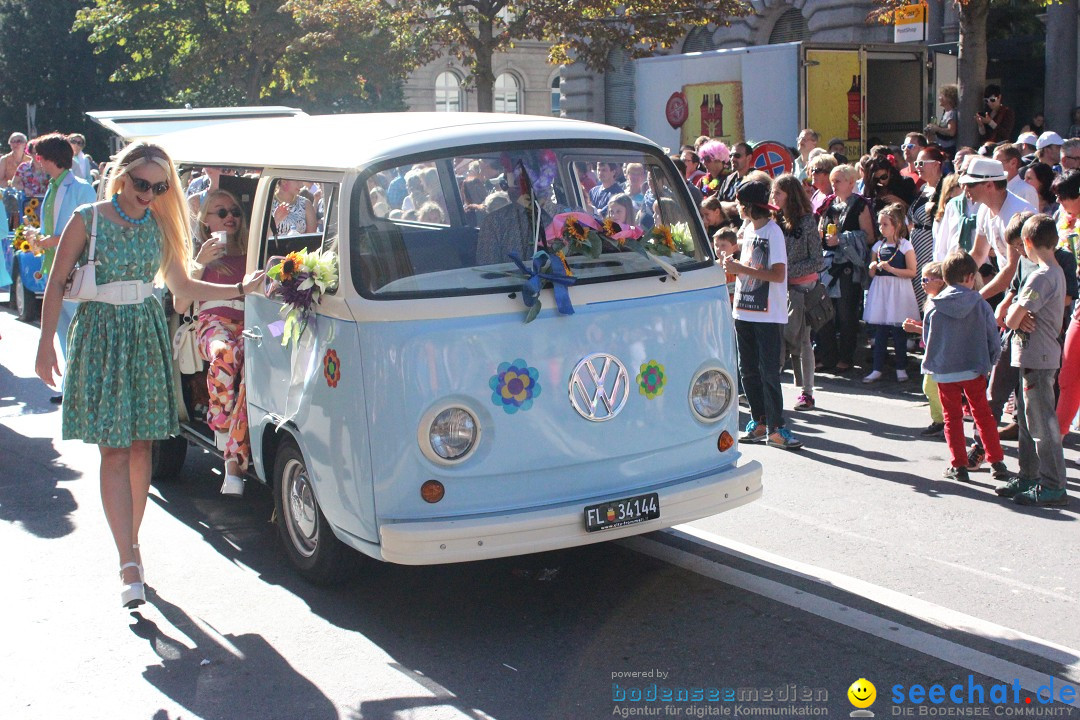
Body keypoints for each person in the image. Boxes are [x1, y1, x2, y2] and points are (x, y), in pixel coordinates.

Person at [34, 142, 266, 608]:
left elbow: (181, 287)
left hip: (143, 335)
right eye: (142, 184)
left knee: (140, 446)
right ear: (122, 177)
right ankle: (127, 559)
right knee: (113, 449)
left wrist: (240, 288)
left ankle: (132, 544)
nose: (149, 193)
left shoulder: (160, 224)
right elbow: (57, 281)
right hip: (100, 334)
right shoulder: (88, 217)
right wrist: (44, 346)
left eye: (159, 187)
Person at [174, 189, 252, 497]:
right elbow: (181, 305)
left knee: (252, 376)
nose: (229, 217)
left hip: (250, 323)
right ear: (206, 221)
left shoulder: (251, 250)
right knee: (226, 353)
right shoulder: (197, 256)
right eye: (220, 213)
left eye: (234, 211)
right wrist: (200, 262)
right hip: (212, 324)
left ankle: (232, 462)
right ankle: (219, 422)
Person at [719, 179, 803, 450]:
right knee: (748, 370)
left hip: (767, 314)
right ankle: (760, 422)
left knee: (768, 371)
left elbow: (778, 274)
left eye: (741, 204)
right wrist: (732, 265)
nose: (738, 208)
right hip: (744, 310)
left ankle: (777, 428)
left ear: (748, 207)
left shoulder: (773, 232)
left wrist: (741, 270)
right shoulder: (749, 229)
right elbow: (749, 266)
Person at [997, 214, 1069, 506]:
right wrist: (1019, 313)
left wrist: (1017, 310)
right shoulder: (1052, 271)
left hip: (1038, 358)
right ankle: (1029, 474)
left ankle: (1052, 485)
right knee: (1027, 422)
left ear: (1027, 243)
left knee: (1042, 426)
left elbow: (1013, 318)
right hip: (1031, 357)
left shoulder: (1041, 275)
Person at [921, 249, 1008, 483]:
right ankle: (997, 461)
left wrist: (932, 365)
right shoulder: (980, 304)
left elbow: (928, 340)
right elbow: (992, 336)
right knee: (983, 415)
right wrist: (990, 361)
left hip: (944, 369)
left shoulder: (935, 305)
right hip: (973, 367)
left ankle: (958, 465)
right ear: (971, 277)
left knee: (952, 417)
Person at [28, 133, 97, 403]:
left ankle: (84, 389)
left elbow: (90, 228)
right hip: (53, 270)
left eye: (39, 157)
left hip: (74, 272)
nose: (38, 162)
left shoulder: (80, 186)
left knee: (79, 334)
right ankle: (72, 389)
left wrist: (52, 240)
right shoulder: (52, 187)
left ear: (47, 158)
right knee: (63, 332)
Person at [772, 173, 824, 411]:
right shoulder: (774, 221)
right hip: (779, 286)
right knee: (778, 339)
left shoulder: (807, 221)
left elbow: (817, 260)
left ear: (790, 195)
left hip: (803, 287)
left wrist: (785, 270)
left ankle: (807, 393)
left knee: (803, 339)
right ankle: (770, 388)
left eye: (778, 193)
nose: (774, 197)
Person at [816, 164, 874, 372]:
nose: (834, 184)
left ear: (851, 182)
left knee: (846, 313)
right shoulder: (829, 204)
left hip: (849, 267)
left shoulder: (860, 205)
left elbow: (869, 236)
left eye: (838, 180)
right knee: (824, 313)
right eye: (832, 181)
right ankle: (826, 355)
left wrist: (842, 239)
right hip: (828, 266)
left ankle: (846, 356)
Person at [961, 157, 1035, 297]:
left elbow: (1013, 268)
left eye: (970, 184)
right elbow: (978, 254)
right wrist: (954, 284)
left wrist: (975, 298)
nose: (965, 189)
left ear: (989, 185)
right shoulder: (983, 210)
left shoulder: (1019, 212)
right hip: (1014, 290)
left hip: (1031, 292)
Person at [863, 203, 920, 383]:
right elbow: (872, 273)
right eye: (879, 224)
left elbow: (912, 272)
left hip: (898, 291)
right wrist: (872, 267)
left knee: (898, 331)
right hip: (881, 290)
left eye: (885, 224)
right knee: (880, 332)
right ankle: (877, 368)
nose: (881, 228)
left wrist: (892, 269)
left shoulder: (905, 246)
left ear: (896, 225)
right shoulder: (878, 246)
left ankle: (901, 367)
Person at [902, 262, 946, 436]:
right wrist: (919, 325)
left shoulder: (942, 303)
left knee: (932, 388)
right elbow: (931, 325)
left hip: (940, 354)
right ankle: (940, 420)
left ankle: (943, 421)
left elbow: (940, 330)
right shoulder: (931, 301)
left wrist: (916, 329)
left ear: (940, 282)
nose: (922, 282)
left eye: (927, 279)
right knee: (931, 388)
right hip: (932, 352)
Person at [908, 145, 945, 307]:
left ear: (936, 164)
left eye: (922, 163)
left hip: (931, 243)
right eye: (916, 164)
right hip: (915, 243)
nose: (918, 167)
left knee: (929, 283)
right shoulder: (923, 188)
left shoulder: (944, 188)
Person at [993, 143, 1039, 209]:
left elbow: (1032, 217)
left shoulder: (1027, 190)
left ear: (1013, 163)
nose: (994, 167)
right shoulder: (994, 189)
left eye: (997, 163)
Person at [925, 85, 958, 157]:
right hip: (943, 147)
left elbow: (951, 132)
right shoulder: (946, 113)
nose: (939, 98)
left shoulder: (951, 113)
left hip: (948, 149)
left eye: (941, 96)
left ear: (949, 98)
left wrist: (937, 128)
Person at [713, 226, 739, 299]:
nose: (718, 249)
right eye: (716, 245)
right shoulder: (713, 266)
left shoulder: (738, 266)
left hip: (733, 302)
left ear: (734, 248)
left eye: (723, 245)